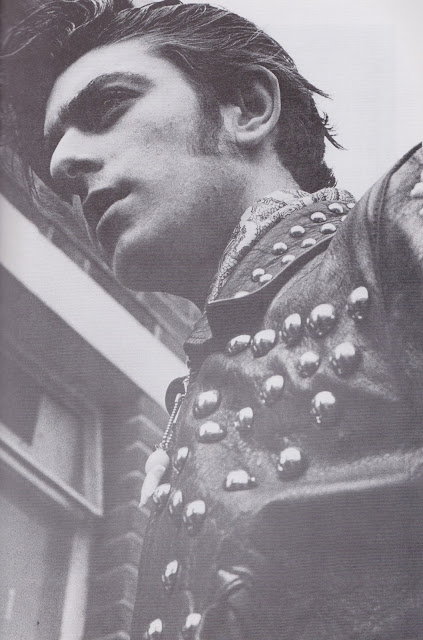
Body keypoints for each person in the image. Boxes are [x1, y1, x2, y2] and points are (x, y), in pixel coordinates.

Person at [2, 1, 422, 639]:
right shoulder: (193, 403)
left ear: (249, 108)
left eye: (107, 107)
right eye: (57, 151)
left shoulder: (390, 233)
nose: (65, 164)